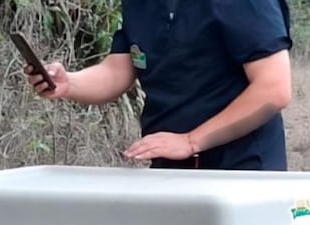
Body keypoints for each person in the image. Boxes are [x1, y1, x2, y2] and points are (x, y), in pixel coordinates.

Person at [26, 1, 293, 170]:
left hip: (241, 169)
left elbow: (274, 89)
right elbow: (117, 69)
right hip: (171, 165)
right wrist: (69, 83)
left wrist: (191, 141)